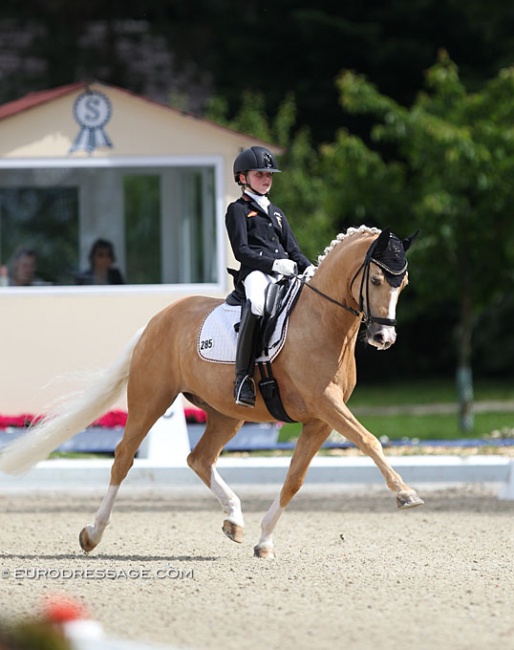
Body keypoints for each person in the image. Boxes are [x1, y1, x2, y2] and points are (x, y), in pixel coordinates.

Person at [226, 145, 315, 407]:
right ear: (242, 178)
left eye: (269, 175)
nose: (266, 179)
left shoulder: (276, 212)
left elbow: (294, 250)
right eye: (259, 174)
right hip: (255, 273)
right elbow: (241, 251)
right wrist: (275, 264)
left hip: (284, 272)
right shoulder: (238, 210)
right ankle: (243, 378)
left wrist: (309, 268)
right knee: (255, 305)